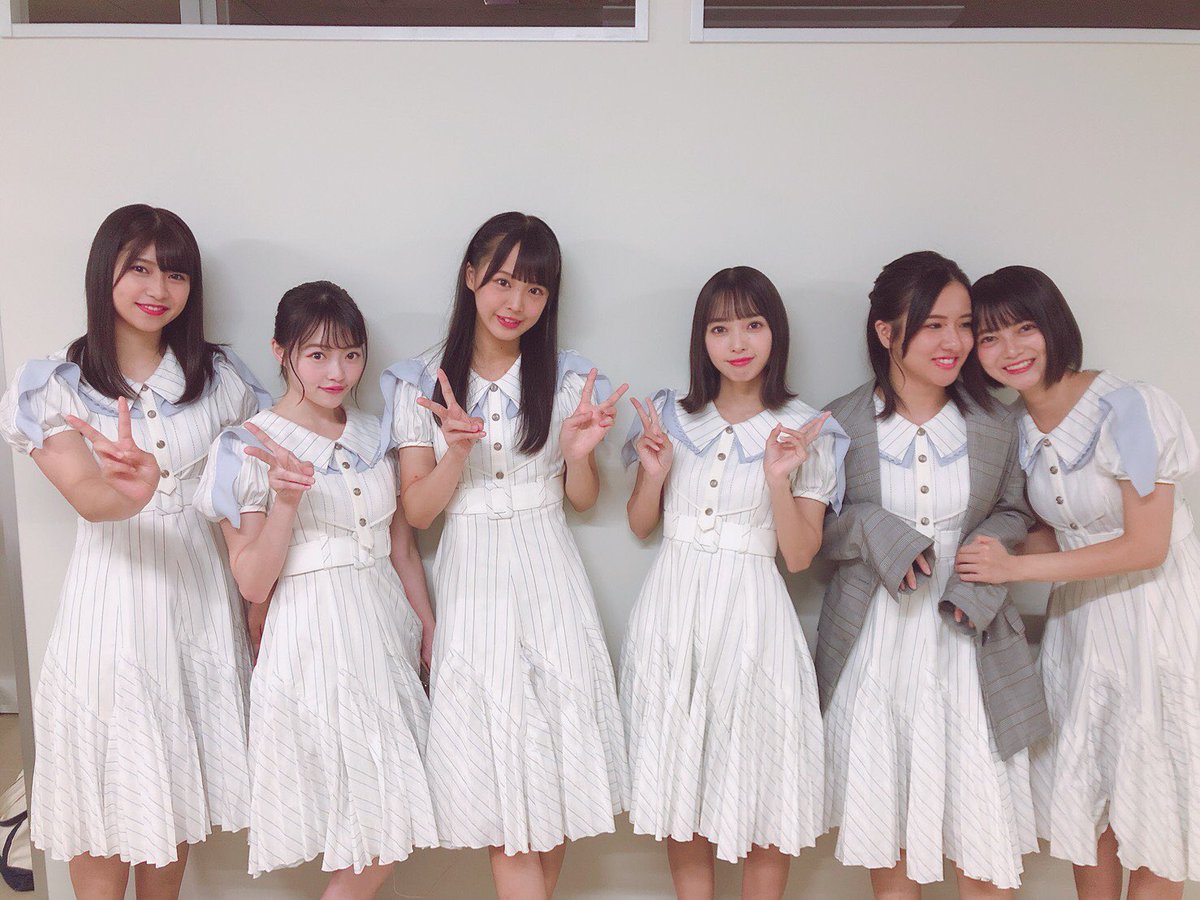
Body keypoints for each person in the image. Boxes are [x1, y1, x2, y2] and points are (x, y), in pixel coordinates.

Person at [0, 204, 269, 898]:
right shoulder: (56, 385)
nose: (159, 288)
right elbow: (91, 499)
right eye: (140, 268)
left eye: (175, 274)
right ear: (106, 273)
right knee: (104, 784)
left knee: (172, 784)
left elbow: (251, 489)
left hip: (198, 600)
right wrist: (136, 492)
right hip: (109, 606)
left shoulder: (221, 380)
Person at [381, 212, 629, 899]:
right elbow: (418, 513)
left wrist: (579, 456)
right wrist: (455, 452)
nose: (516, 303)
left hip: (551, 571)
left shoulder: (570, 379)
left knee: (553, 781)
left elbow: (582, 499)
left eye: (536, 289)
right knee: (502, 791)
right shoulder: (421, 382)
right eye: (502, 282)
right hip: (474, 579)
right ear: (471, 278)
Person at [958, 265, 1199, 900]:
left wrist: (1013, 568)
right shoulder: (1014, 430)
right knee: (1090, 804)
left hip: (1156, 619)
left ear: (1054, 325)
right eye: (989, 338)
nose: (1009, 350)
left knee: (1158, 802)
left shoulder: (1131, 408)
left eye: (1024, 329)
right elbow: (1053, 535)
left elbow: (1146, 546)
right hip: (1081, 624)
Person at [196, 281, 438, 896]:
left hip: (383, 628)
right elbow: (253, 581)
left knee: (388, 814)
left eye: (351, 355)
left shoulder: (376, 434)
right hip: (311, 636)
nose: (338, 373)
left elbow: (402, 547)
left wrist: (427, 626)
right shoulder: (246, 445)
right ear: (280, 352)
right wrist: (284, 502)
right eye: (318, 355)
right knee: (363, 816)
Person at [819, 251, 1047, 897]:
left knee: (984, 842)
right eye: (933, 325)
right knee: (889, 841)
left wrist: (984, 552)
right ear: (886, 331)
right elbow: (812, 535)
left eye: (964, 324)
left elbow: (1016, 511)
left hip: (969, 637)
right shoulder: (839, 421)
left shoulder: (998, 423)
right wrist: (871, 526)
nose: (954, 342)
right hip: (875, 641)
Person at [620, 266, 847, 899]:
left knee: (764, 778)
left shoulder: (806, 428)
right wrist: (654, 474)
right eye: (720, 328)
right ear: (702, 338)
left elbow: (798, 556)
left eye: (753, 324)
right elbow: (641, 524)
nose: (738, 342)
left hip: (753, 613)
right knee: (682, 779)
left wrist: (778, 479)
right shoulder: (669, 414)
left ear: (777, 333)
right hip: (673, 610)